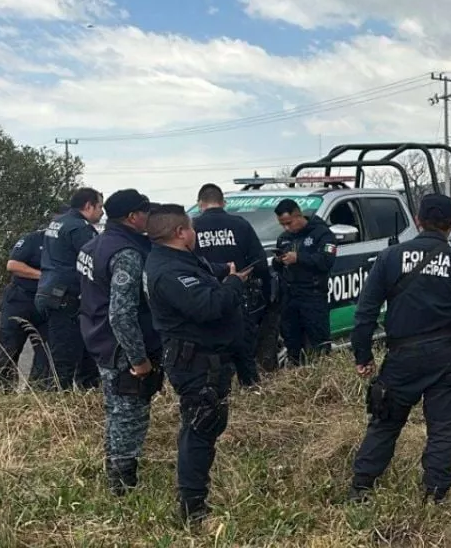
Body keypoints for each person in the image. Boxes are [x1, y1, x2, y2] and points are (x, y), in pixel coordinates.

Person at [348, 194, 451, 504]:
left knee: (385, 422)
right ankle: (436, 493)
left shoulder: (390, 258)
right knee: (443, 429)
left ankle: (361, 487)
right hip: (447, 358)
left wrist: (363, 355)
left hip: (402, 357)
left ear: (417, 220)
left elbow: (364, 314)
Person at [143, 204, 253, 523]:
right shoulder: (168, 270)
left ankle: (195, 499)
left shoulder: (177, 259)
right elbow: (208, 306)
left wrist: (224, 272)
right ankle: (192, 509)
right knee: (200, 428)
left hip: (206, 359)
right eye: (191, 228)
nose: (194, 233)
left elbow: (202, 274)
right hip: (196, 362)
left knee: (205, 426)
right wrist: (233, 283)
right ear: (180, 232)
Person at [77, 189, 163, 496]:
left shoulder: (92, 244)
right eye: (145, 212)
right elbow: (121, 314)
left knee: (115, 410)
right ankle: (123, 486)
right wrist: (139, 359)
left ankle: (113, 470)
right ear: (132, 217)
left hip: (98, 340)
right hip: (121, 349)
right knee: (130, 414)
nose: (149, 217)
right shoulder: (126, 253)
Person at [193, 183, 272, 388]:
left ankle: (217, 391)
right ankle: (251, 388)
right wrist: (265, 292)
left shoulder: (192, 228)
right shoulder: (240, 224)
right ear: (223, 202)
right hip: (238, 294)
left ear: (200, 203)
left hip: (203, 298)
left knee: (211, 351)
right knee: (243, 347)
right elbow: (260, 262)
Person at [36, 188, 105, 391]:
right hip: (66, 296)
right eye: (100, 206)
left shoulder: (58, 222)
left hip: (49, 291)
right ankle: (60, 405)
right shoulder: (80, 228)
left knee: (77, 350)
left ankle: (86, 393)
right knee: (65, 357)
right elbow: (94, 261)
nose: (102, 212)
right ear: (88, 206)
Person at [0, 209, 60, 392]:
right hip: (20, 300)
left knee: (45, 351)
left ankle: (35, 392)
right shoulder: (33, 239)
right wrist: (45, 276)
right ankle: (4, 391)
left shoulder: (64, 243)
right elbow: (13, 265)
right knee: (9, 347)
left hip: (47, 303)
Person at [272, 199, 336, 366]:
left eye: (288, 223)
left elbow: (326, 261)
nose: (286, 228)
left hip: (313, 295)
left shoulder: (322, 234)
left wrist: (299, 258)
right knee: (292, 342)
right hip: (290, 296)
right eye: (282, 224)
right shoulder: (284, 238)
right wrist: (279, 261)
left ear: (298, 215)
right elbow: (279, 269)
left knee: (319, 344)